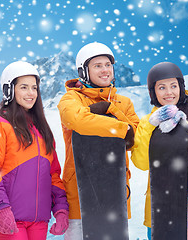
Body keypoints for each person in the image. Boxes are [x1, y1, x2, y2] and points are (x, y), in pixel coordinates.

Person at [0, 61, 69, 240]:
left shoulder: (42, 130)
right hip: (10, 218)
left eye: (34, 88)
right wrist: (1, 207)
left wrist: (60, 208)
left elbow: (54, 174)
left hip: (38, 220)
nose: (31, 93)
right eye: (24, 87)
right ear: (9, 90)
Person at [57, 42, 140, 239]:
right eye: (97, 65)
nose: (105, 70)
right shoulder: (71, 100)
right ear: (83, 71)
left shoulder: (125, 103)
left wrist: (111, 109)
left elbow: (134, 137)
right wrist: (120, 127)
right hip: (80, 195)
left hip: (115, 191)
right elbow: (78, 121)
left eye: (108, 65)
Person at [131, 62, 188, 239]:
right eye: (162, 87)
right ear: (153, 92)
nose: (169, 92)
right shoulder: (147, 122)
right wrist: (150, 126)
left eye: (173, 86)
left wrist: (186, 130)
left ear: (181, 87)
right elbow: (141, 163)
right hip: (159, 212)